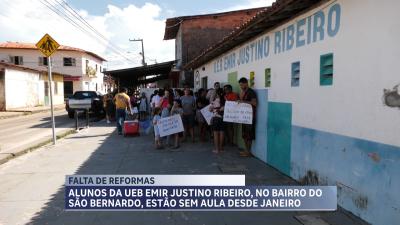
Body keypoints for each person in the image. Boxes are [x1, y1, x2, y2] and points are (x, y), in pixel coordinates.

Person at [238, 77, 257, 157]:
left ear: (246, 83)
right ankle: (246, 151)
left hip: (250, 117)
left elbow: (254, 103)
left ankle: (248, 152)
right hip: (244, 117)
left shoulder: (251, 92)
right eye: (240, 85)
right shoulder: (243, 92)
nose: (241, 86)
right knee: (244, 135)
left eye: (242, 85)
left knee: (249, 136)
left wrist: (243, 101)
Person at [209, 88, 225, 154]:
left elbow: (210, 109)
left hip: (216, 118)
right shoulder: (225, 100)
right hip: (223, 118)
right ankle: (221, 148)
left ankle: (217, 149)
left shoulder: (214, 101)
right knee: (222, 132)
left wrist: (213, 109)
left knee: (215, 133)